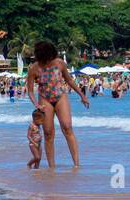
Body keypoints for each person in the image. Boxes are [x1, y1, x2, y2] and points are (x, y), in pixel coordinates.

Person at [26, 40, 90, 169]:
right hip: (45, 100)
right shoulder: (34, 69)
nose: (50, 58)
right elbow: (30, 90)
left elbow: (69, 80)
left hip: (61, 97)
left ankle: (77, 164)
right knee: (48, 133)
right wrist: (36, 104)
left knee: (67, 127)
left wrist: (82, 95)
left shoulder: (60, 63)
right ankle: (52, 167)